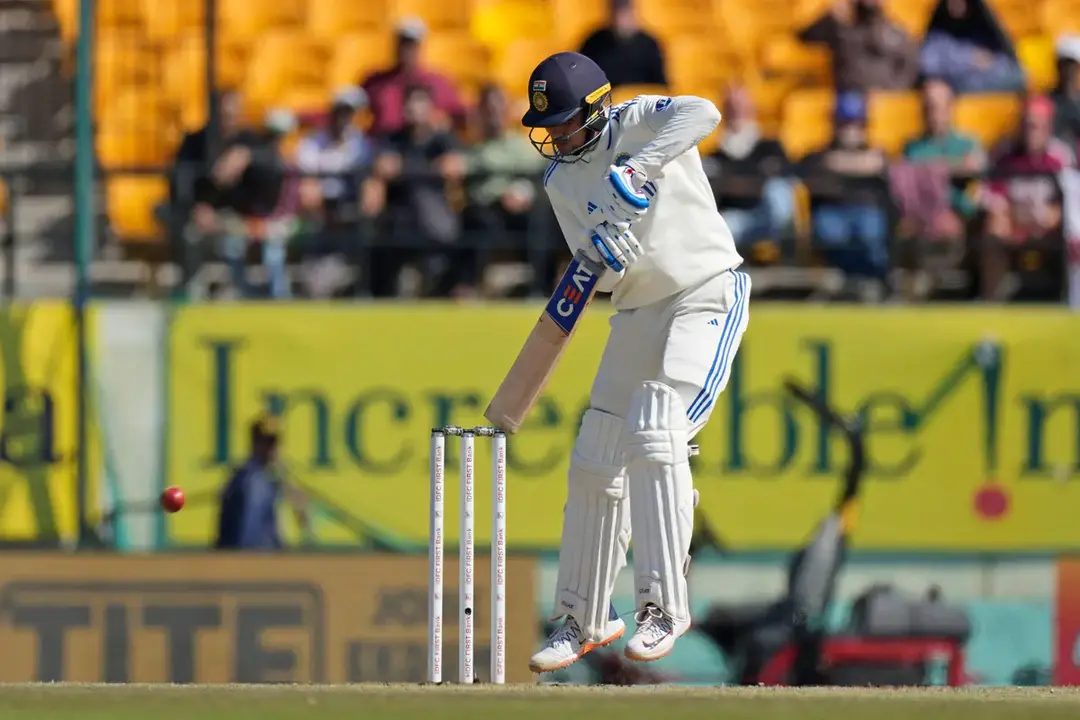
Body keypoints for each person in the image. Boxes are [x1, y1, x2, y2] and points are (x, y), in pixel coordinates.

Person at [519, 52, 747, 671]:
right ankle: (582, 617)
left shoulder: (638, 123)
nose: (558, 136)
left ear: (597, 109)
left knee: (655, 429)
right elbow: (601, 275)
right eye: (550, 126)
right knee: (597, 451)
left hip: (705, 290)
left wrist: (638, 168)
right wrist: (600, 252)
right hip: (638, 310)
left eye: (567, 122)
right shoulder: (560, 181)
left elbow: (704, 111)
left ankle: (663, 606)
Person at [215, 415, 308, 550]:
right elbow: (249, 539)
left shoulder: (270, 476)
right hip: (256, 560)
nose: (271, 449)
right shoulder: (253, 481)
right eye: (265, 443)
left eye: (273, 443)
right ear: (254, 443)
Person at [798, 0, 918, 92]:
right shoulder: (840, 27)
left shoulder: (894, 31)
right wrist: (831, 15)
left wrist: (891, 89)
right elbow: (806, 37)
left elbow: (909, 66)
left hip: (885, 97)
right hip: (850, 95)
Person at [919, 0, 1024, 95]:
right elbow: (927, 64)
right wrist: (971, 59)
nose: (956, 3)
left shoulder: (985, 32)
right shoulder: (938, 34)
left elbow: (1012, 73)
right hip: (950, 94)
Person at [578, 0, 668, 88]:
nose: (622, 19)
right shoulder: (593, 43)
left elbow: (660, 87)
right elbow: (582, 81)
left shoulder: (650, 44)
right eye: (618, 12)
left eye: (626, 12)